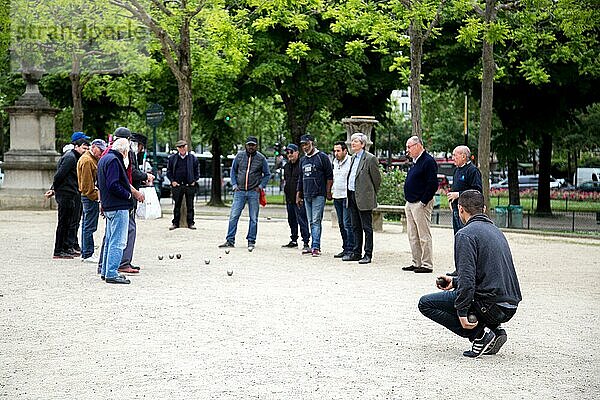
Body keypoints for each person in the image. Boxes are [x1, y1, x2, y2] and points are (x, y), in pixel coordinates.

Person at [418, 190, 522, 358]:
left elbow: (468, 281)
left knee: (425, 303)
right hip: (509, 305)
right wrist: (454, 280)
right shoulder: (497, 231)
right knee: (461, 292)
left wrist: (462, 312)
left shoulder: (465, 234)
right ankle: (495, 330)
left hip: (490, 305)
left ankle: (480, 335)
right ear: (484, 208)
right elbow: (481, 273)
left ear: (460, 209)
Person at [218, 136, 270, 251]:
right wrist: (234, 185)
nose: (251, 147)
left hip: (253, 192)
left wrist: (260, 187)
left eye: (253, 145)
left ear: (256, 146)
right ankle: (230, 240)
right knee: (233, 216)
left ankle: (251, 240)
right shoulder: (239, 156)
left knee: (253, 218)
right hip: (240, 191)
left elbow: (267, 174)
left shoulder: (261, 158)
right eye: (249, 145)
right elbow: (233, 171)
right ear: (246, 145)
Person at [97, 138, 133, 284]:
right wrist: (128, 194)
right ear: (124, 150)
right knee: (118, 241)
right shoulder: (114, 161)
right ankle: (111, 272)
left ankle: (107, 271)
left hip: (109, 205)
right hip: (118, 205)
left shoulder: (104, 159)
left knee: (111, 240)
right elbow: (113, 184)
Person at [118, 133, 154, 273]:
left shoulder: (126, 154)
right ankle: (124, 262)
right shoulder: (129, 154)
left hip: (128, 194)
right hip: (129, 196)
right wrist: (145, 176)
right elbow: (131, 173)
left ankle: (121, 261)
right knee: (129, 229)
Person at [49, 133, 90, 259]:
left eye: (87, 149)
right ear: (76, 146)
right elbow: (59, 175)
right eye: (84, 148)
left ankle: (66, 247)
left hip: (70, 192)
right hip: (66, 193)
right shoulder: (70, 157)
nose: (86, 151)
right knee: (64, 222)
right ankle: (59, 250)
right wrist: (55, 189)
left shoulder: (74, 157)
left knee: (69, 222)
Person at [343, 133, 381, 264]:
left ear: (363, 144)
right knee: (355, 226)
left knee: (367, 227)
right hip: (352, 195)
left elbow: (377, 180)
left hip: (364, 197)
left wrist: (370, 194)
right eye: (352, 141)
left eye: (356, 141)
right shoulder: (353, 158)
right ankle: (356, 252)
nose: (352, 143)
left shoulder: (370, 158)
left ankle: (368, 254)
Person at [401, 136, 438, 273]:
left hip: (420, 203)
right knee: (412, 234)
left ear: (417, 146)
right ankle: (416, 262)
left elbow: (432, 183)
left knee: (423, 235)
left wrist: (424, 200)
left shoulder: (428, 161)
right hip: (410, 202)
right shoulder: (416, 162)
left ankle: (427, 264)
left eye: (409, 147)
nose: (407, 150)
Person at [446, 145, 482, 276]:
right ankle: (459, 268)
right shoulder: (456, 171)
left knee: (466, 240)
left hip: (467, 212)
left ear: (463, 156)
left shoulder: (473, 171)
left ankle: (467, 269)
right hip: (457, 209)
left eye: (455, 155)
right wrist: (452, 201)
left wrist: (459, 195)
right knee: (458, 239)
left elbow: (477, 191)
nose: (453, 158)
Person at [296, 134, 333, 257]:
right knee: (310, 221)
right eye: (303, 145)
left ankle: (316, 246)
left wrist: (328, 192)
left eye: (307, 144)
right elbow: (300, 179)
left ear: (312, 143)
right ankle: (313, 245)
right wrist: (299, 194)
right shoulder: (303, 160)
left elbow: (329, 176)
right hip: (307, 194)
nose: (305, 147)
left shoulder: (322, 157)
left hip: (319, 194)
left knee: (316, 220)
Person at [77, 138, 107, 263]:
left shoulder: (90, 159)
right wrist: (99, 199)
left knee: (87, 225)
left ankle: (86, 251)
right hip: (89, 197)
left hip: (88, 196)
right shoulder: (88, 161)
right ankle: (87, 253)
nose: (101, 154)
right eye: (100, 150)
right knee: (89, 226)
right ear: (93, 147)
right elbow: (87, 186)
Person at [281, 143, 310, 251]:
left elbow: (302, 181)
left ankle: (306, 241)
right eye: (287, 153)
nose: (289, 154)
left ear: (297, 152)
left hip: (299, 198)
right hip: (289, 197)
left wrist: (301, 195)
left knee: (302, 220)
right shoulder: (286, 166)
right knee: (291, 219)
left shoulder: (302, 164)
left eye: (291, 152)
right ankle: (294, 239)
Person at [166, 140, 200, 230]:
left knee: (190, 205)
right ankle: (175, 223)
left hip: (189, 185)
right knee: (177, 205)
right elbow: (168, 171)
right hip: (177, 185)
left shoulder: (193, 158)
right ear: (177, 148)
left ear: (186, 147)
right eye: (180, 147)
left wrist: (194, 180)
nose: (182, 149)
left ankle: (191, 223)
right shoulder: (172, 158)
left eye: (183, 146)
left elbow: (197, 171)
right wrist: (172, 181)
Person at [331, 141, 354, 258]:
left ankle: (351, 249)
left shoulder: (350, 161)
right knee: (341, 223)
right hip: (337, 195)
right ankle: (345, 247)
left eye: (338, 151)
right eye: (335, 151)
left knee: (347, 223)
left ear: (345, 151)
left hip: (346, 196)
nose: (336, 153)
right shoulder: (335, 162)